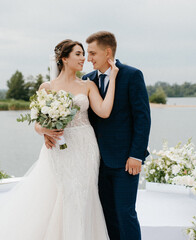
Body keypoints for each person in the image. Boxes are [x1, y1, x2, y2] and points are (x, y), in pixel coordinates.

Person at [0, 39, 118, 240]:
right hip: (60, 147)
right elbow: (36, 124)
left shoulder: (88, 85)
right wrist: (46, 132)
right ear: (64, 58)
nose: (83, 58)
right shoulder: (47, 87)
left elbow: (104, 111)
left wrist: (112, 78)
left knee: (84, 196)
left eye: (83, 54)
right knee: (66, 193)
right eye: (78, 54)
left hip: (86, 146)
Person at [45, 31, 151, 240]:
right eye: (85, 53)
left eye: (92, 53)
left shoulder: (131, 75)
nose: (88, 58)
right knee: (106, 215)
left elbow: (143, 119)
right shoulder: (88, 79)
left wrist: (136, 155)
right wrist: (46, 131)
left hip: (125, 160)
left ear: (108, 52)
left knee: (125, 213)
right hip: (93, 160)